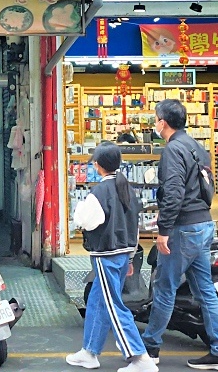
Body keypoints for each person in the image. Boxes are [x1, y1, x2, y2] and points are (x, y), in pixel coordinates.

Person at [142, 99, 218, 372]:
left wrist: (164, 230)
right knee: (205, 290)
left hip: (183, 228)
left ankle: (150, 348)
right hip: (203, 223)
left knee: (164, 286)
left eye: (156, 119)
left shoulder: (172, 150)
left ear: (163, 122)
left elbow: (173, 193)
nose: (155, 123)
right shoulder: (197, 147)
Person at [68, 143, 155, 372]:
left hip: (105, 254)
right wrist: (130, 255)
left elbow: (85, 221)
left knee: (113, 305)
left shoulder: (100, 192)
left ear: (97, 165)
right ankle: (89, 351)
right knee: (98, 300)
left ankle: (139, 357)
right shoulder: (126, 188)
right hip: (124, 252)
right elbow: (134, 225)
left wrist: (78, 209)